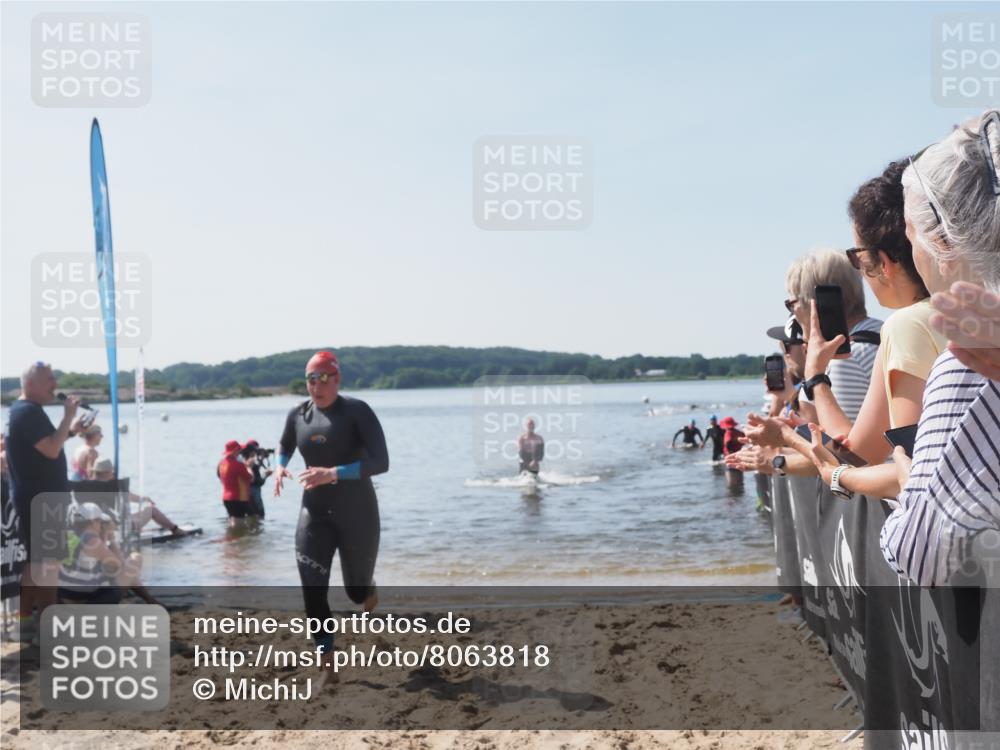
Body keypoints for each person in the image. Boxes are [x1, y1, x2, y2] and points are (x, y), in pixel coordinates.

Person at [273, 351, 389, 660]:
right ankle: (327, 662)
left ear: (337, 379)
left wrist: (332, 474)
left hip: (358, 513)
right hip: (315, 512)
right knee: (312, 590)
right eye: (311, 378)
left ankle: (369, 590)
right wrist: (280, 465)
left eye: (323, 377)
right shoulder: (298, 414)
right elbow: (284, 444)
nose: (316, 385)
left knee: (356, 593)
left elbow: (381, 462)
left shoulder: (356, 412)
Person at [5, 362, 86, 641]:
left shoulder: (25, 411)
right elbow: (52, 450)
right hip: (41, 499)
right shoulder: (27, 412)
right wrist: (67, 416)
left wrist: (71, 430)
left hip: (35, 497)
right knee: (48, 565)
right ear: (31, 384)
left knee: (35, 563)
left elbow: (46, 445)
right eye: (49, 379)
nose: (55, 383)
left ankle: (25, 622)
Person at [58, 502, 147, 605]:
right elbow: (120, 566)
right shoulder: (91, 540)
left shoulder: (71, 534)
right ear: (93, 522)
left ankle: (150, 599)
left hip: (65, 593)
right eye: (100, 521)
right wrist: (112, 539)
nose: (101, 525)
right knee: (135, 560)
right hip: (86, 600)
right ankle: (150, 600)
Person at [91, 458, 189, 536]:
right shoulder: (111, 487)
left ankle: (137, 528)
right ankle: (175, 530)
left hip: (100, 526)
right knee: (151, 510)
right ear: (107, 472)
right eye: (111, 471)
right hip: (119, 528)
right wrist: (144, 499)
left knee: (130, 515)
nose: (113, 473)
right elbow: (128, 496)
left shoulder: (90, 487)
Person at [218, 439, 252, 527]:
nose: (240, 452)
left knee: (232, 520)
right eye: (239, 450)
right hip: (238, 498)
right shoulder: (238, 465)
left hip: (226, 498)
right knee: (239, 524)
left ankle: (230, 538)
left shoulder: (222, 464)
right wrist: (249, 467)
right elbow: (250, 478)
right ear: (235, 451)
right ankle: (236, 539)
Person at [241, 440, 272, 518]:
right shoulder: (250, 463)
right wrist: (265, 475)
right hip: (253, 493)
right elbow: (257, 482)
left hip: (241, 494)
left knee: (245, 516)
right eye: (256, 450)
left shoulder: (241, 460)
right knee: (260, 515)